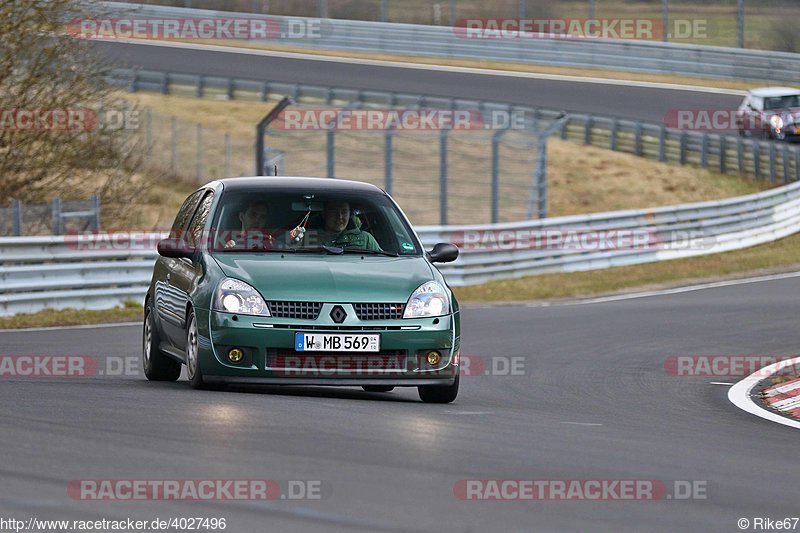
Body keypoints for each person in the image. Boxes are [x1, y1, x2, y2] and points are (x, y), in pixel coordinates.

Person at [313, 200, 381, 251]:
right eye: (334, 212)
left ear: (350, 214)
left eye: (344, 212)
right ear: (324, 214)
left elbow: (381, 263)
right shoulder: (307, 238)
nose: (340, 217)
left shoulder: (366, 239)